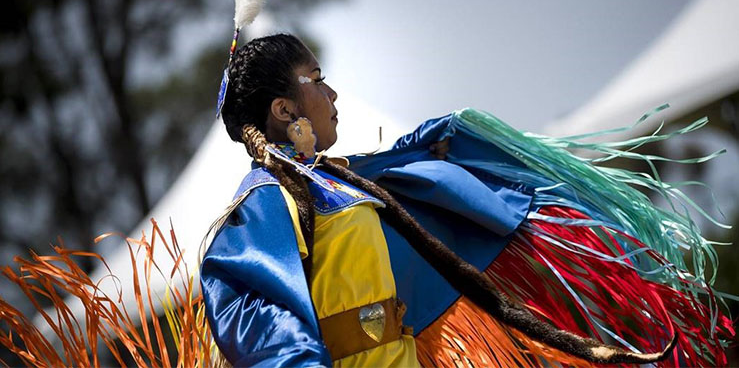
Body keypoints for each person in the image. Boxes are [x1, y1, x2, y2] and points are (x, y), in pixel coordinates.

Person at [199, 33, 733, 367]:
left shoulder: (340, 182)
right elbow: (267, 340)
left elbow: (403, 182)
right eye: (317, 79)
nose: (333, 94)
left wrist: (443, 145)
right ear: (283, 108)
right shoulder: (260, 209)